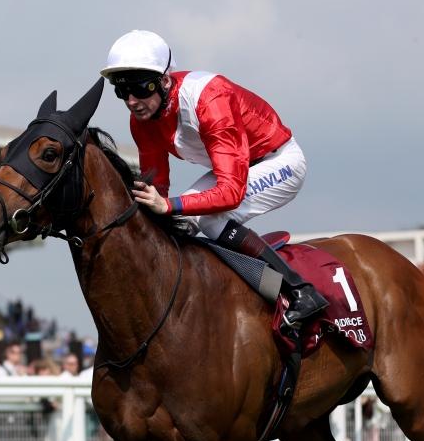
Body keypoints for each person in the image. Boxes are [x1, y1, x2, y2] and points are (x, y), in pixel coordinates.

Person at [101, 30, 327, 326]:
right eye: (122, 92)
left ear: (165, 81)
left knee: (209, 220)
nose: (132, 101)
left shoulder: (210, 100)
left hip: (279, 162)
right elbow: (158, 187)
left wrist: (168, 205)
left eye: (140, 89)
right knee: (178, 225)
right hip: (239, 168)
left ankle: (299, 291)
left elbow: (231, 193)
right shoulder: (142, 120)